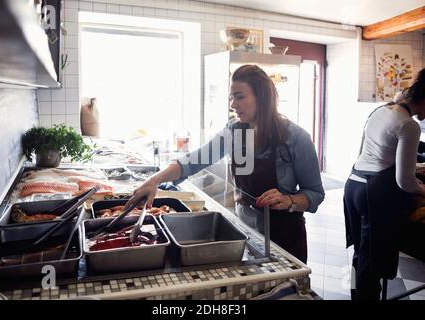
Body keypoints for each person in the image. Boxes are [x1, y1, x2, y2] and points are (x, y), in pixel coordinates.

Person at [126, 64, 324, 263]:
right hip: (246, 229)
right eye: (231, 97)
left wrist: (289, 200)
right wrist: (155, 180)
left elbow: (315, 194)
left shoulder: (296, 138)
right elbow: (193, 162)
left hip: (285, 235)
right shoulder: (235, 132)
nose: (232, 105)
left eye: (239, 97)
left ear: (262, 98)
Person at [343, 68, 425, 300]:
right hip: (374, 194)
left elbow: (366, 154)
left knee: (361, 256)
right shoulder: (409, 125)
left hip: (354, 187)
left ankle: (356, 296)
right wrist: (423, 189)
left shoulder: (380, 110)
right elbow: (405, 181)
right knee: (373, 265)